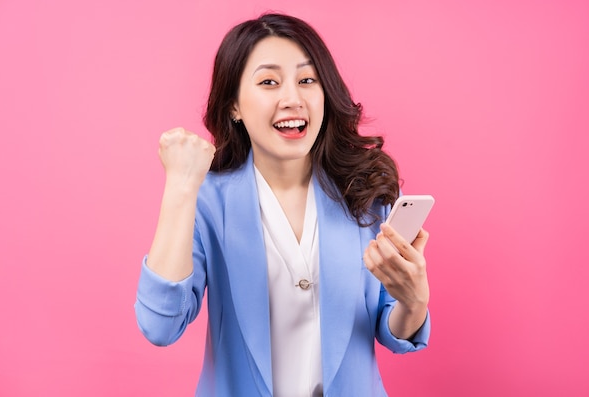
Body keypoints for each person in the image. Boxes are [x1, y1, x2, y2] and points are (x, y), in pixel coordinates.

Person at [135, 13, 431, 397]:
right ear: (234, 107)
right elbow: (160, 326)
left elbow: (392, 329)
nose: (293, 98)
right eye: (269, 82)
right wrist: (179, 187)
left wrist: (414, 302)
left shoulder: (364, 194)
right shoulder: (207, 200)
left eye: (307, 80)